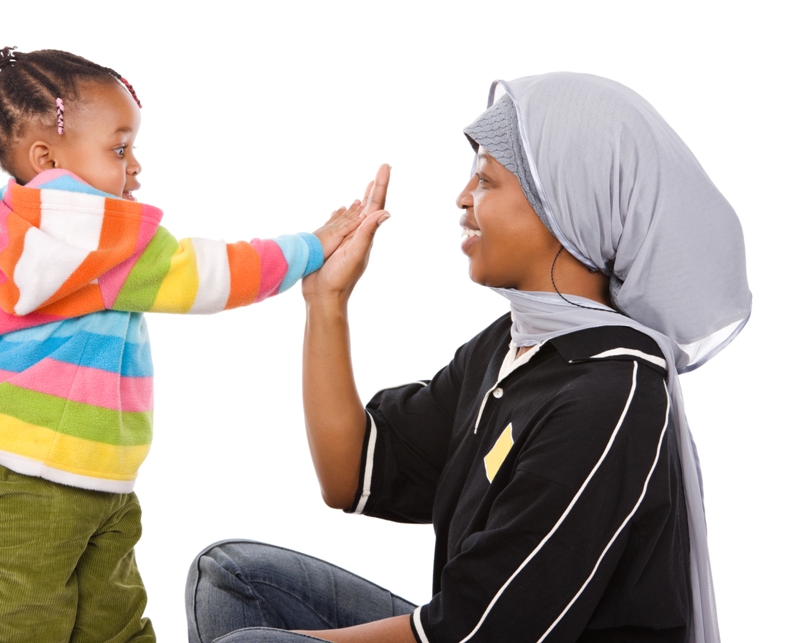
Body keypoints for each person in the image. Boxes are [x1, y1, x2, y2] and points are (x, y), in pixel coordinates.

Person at [186, 73, 750, 643]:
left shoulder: (612, 393)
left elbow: (475, 634)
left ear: (564, 207)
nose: (461, 198)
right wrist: (325, 300)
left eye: (485, 180)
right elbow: (350, 474)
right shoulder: (511, 347)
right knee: (234, 579)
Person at [0, 47, 370, 643]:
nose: (134, 167)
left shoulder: (18, 227)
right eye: (119, 149)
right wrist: (313, 246)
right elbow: (216, 275)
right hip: (20, 487)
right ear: (48, 158)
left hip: (87, 485)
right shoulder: (101, 239)